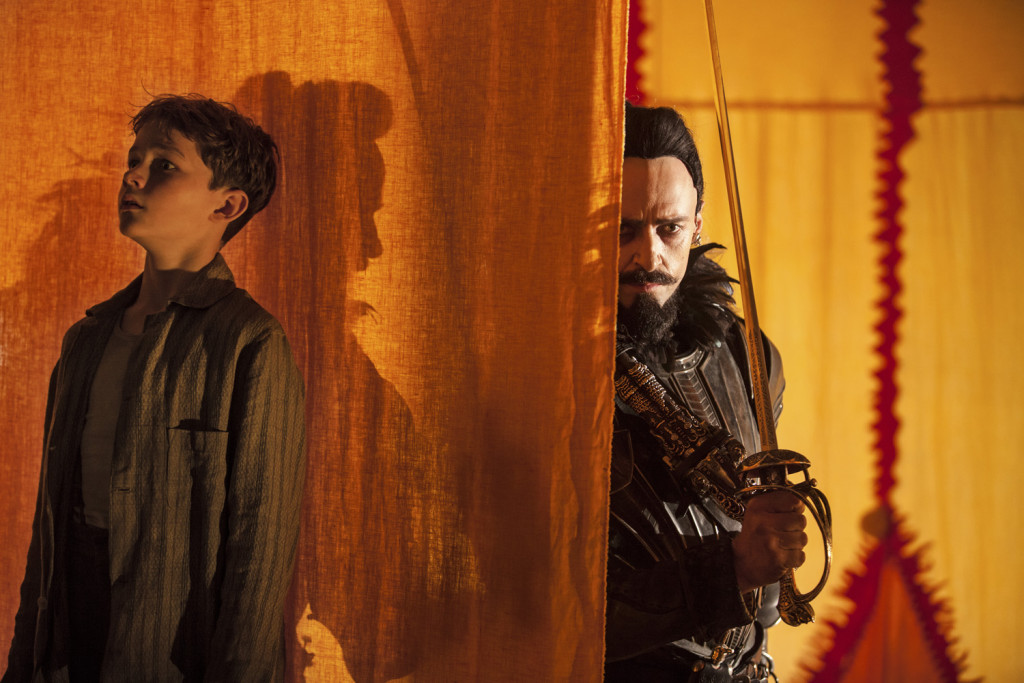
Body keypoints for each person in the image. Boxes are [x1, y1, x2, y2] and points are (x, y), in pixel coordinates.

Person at [3, 95, 305, 682]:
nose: (133, 176)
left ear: (227, 204)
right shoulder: (86, 338)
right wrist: (22, 661)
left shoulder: (248, 342)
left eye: (164, 164)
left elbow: (260, 551)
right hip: (68, 634)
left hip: (169, 649)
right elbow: (48, 528)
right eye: (134, 160)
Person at [605, 103, 809, 682]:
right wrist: (732, 568)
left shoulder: (746, 354)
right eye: (623, 229)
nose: (648, 256)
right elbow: (538, 607)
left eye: (668, 228)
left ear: (696, 225)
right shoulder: (544, 375)